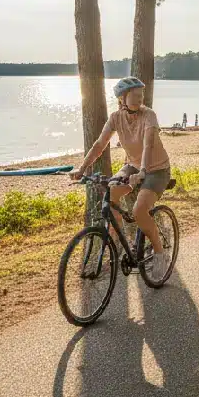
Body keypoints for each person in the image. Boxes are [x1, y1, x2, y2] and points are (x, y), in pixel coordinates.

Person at [70, 77, 172, 266]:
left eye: (141, 94)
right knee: (109, 195)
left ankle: (159, 254)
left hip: (157, 169)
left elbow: (148, 144)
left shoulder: (149, 115)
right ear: (122, 99)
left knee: (139, 210)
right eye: (135, 95)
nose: (139, 98)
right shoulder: (115, 118)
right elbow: (100, 144)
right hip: (133, 165)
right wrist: (82, 168)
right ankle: (115, 245)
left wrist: (142, 172)